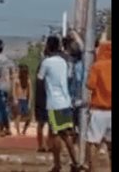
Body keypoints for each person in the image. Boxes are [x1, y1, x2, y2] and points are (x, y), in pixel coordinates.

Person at [37, 36, 83, 172]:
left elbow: (40, 78)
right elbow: (68, 77)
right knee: (66, 133)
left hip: (54, 103)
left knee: (56, 134)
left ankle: (58, 164)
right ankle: (75, 162)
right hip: (65, 101)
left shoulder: (47, 62)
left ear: (48, 46)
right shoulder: (64, 61)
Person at [85, 41, 112, 171]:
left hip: (99, 110)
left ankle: (92, 169)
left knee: (92, 143)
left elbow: (90, 85)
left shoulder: (97, 66)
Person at [34, 56, 49, 153]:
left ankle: (44, 145)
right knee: (43, 123)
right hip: (44, 100)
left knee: (42, 123)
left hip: (43, 100)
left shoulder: (39, 79)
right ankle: (42, 145)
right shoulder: (42, 79)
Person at [13, 64, 32, 135]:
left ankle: (24, 130)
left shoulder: (28, 81)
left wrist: (29, 102)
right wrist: (15, 99)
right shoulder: (17, 80)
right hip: (19, 100)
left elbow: (30, 92)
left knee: (28, 117)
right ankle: (18, 131)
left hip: (25, 100)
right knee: (19, 115)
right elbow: (14, 91)